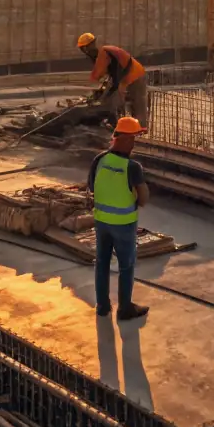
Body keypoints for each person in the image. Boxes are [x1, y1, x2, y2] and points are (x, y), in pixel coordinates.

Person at [89, 116, 150, 323]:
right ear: (127, 140)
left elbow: (91, 187)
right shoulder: (133, 167)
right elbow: (143, 199)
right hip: (124, 225)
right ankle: (125, 309)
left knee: (102, 263)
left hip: (101, 222)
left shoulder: (99, 160)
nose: (135, 143)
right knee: (126, 266)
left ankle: (102, 306)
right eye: (134, 138)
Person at [77, 33, 149, 128]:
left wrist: (106, 91)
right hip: (124, 76)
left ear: (89, 46)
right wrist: (102, 91)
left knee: (137, 103)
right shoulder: (103, 54)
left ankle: (140, 129)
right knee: (115, 99)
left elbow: (108, 75)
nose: (85, 52)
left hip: (135, 75)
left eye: (84, 49)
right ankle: (124, 126)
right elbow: (111, 74)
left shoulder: (105, 52)